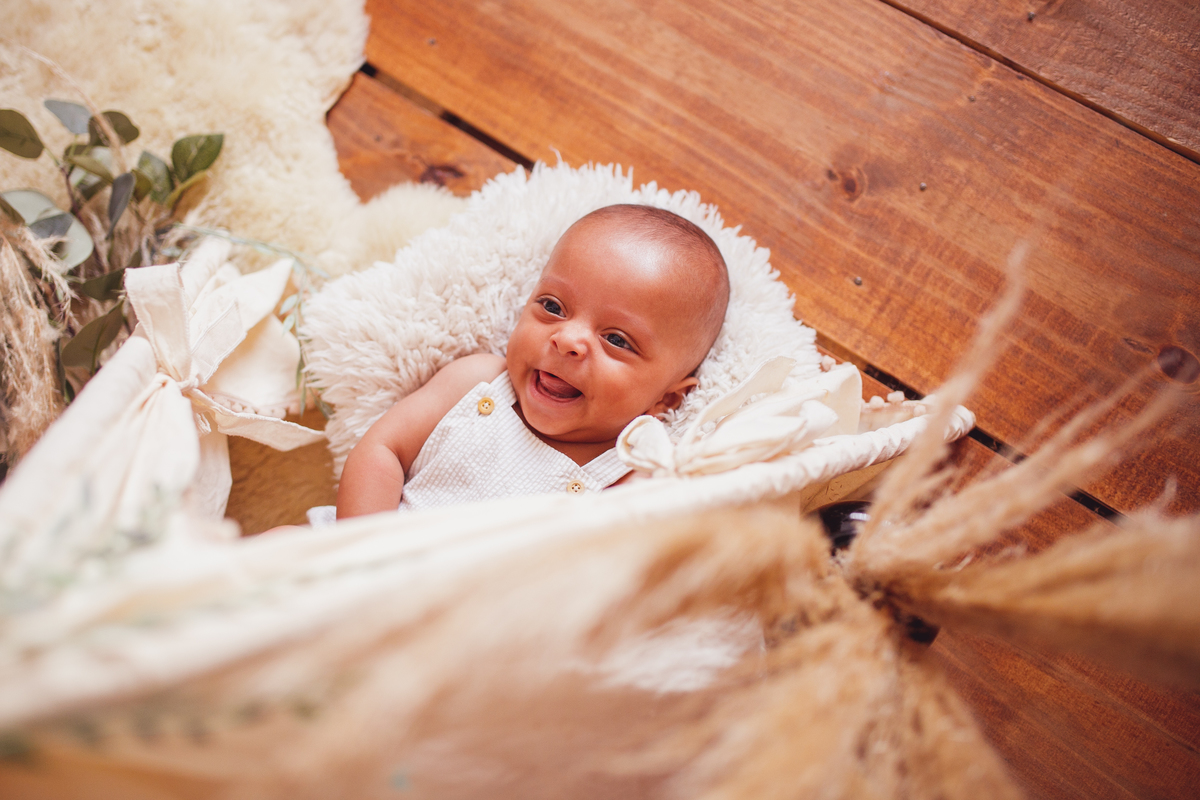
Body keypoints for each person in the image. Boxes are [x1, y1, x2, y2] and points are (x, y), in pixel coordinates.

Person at [334, 204, 730, 519]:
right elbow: (383, 450)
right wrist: (357, 562)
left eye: (616, 339)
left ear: (668, 399)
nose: (568, 339)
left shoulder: (629, 476)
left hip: (461, 618)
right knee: (277, 542)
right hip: (353, 564)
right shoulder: (479, 382)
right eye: (553, 306)